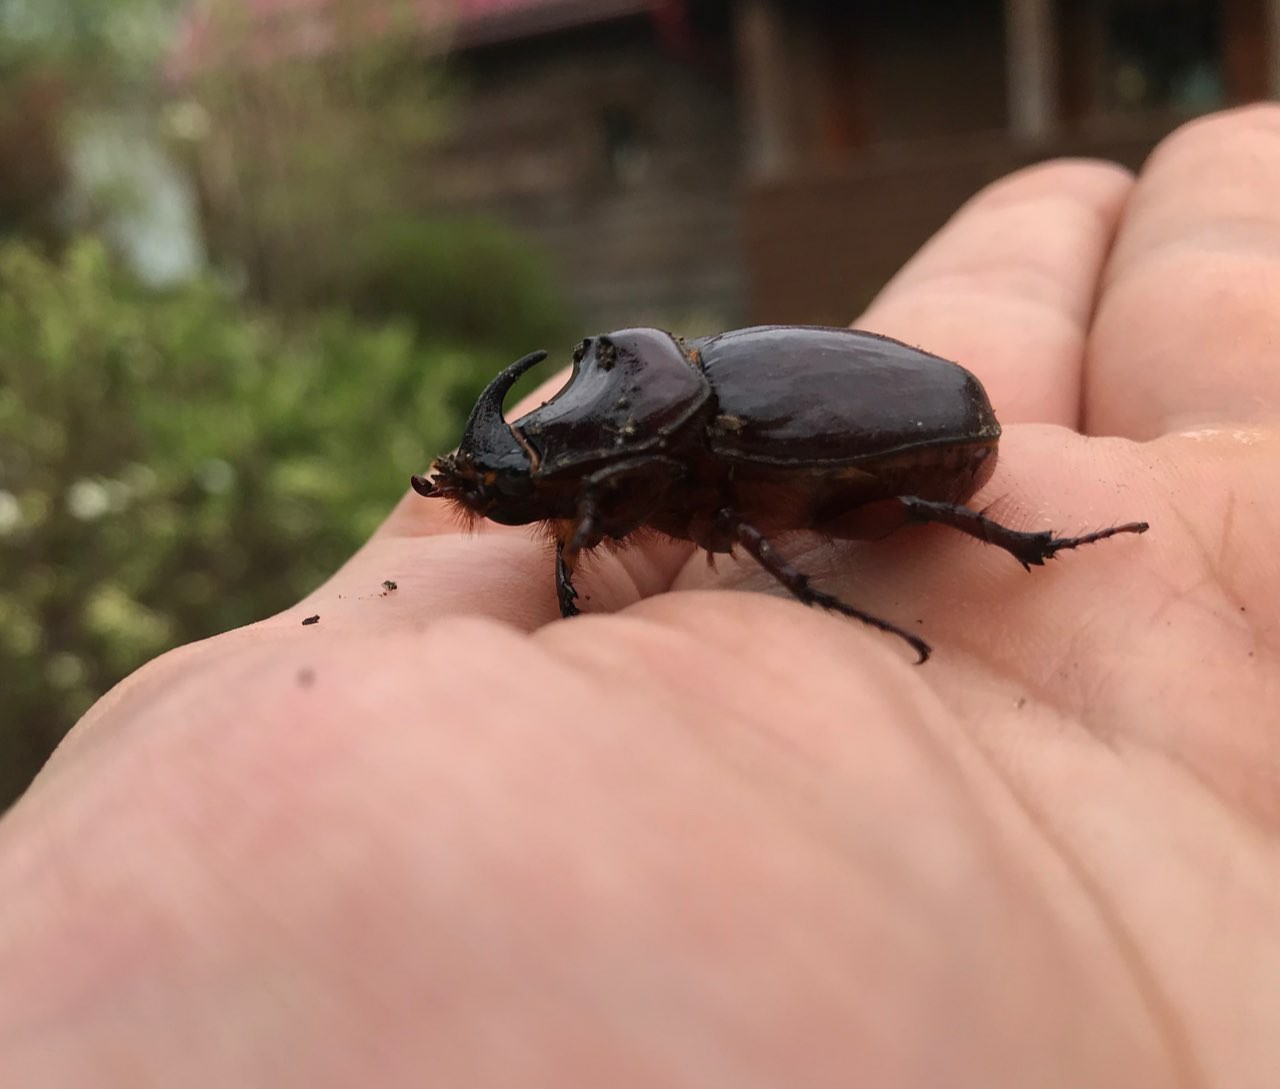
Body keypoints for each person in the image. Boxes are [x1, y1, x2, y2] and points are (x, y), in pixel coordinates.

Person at [2, 104, 1276, 1087]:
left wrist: (802, 590)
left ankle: (1044, 546)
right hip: (880, 414)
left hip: (923, 444)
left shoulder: (704, 450)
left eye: (558, 472)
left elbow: (713, 518)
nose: (545, 492)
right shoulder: (657, 437)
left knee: (908, 519)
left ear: (625, 447)